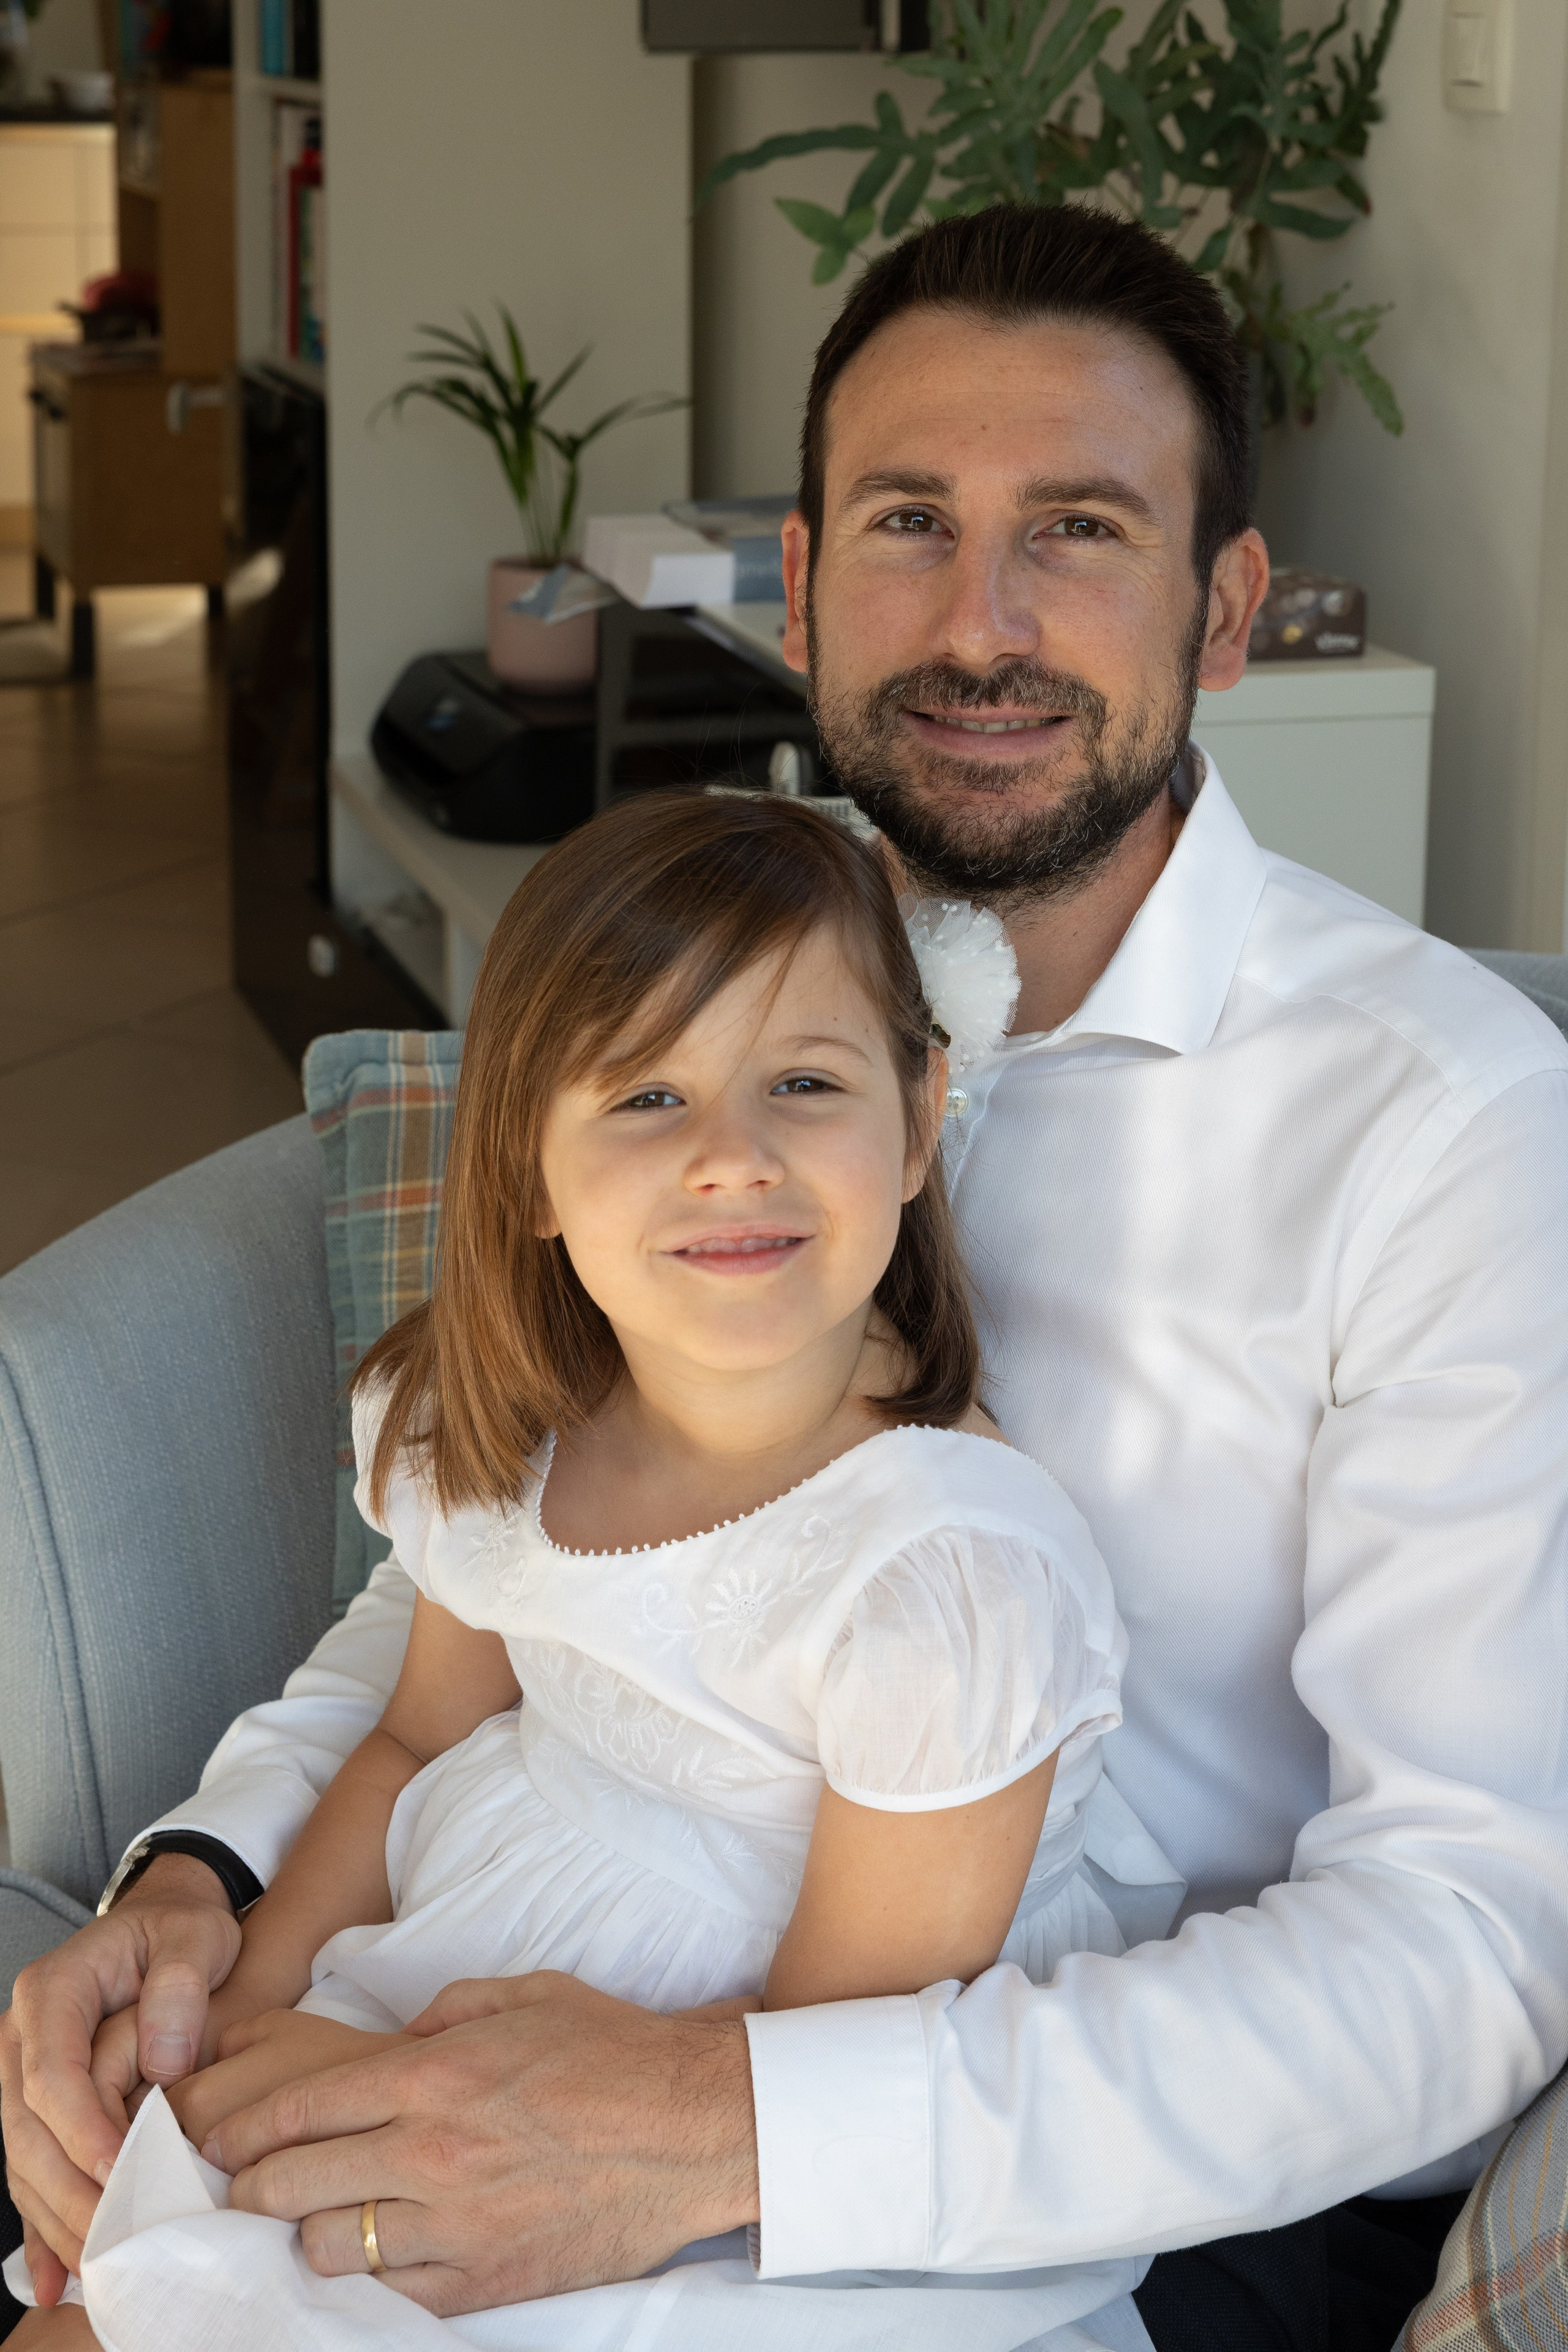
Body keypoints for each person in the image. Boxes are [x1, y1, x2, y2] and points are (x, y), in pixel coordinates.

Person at [6, 201, 1568, 2352]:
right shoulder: (694, 984)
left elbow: (1469, 1942)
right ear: (808, 586)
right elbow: (525, 1539)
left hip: (1122, 2179)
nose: (984, 621)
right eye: (912, 522)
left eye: (1083, 531)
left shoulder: (1444, 1124)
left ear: (1227, 613)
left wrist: (710, 2129)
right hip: (542, 1997)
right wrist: (212, 1875)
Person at [7, 789, 1184, 2350]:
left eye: (804, 1081)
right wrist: (239, 2028)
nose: (731, 1158)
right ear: (533, 1181)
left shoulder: (942, 1582)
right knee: (125, 2282)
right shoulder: (513, 1440)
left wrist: (358, 2098)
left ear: (918, 1120)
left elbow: (824, 2074)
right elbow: (415, 1737)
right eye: (644, 1099)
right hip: (459, 1963)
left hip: (721, 2166)